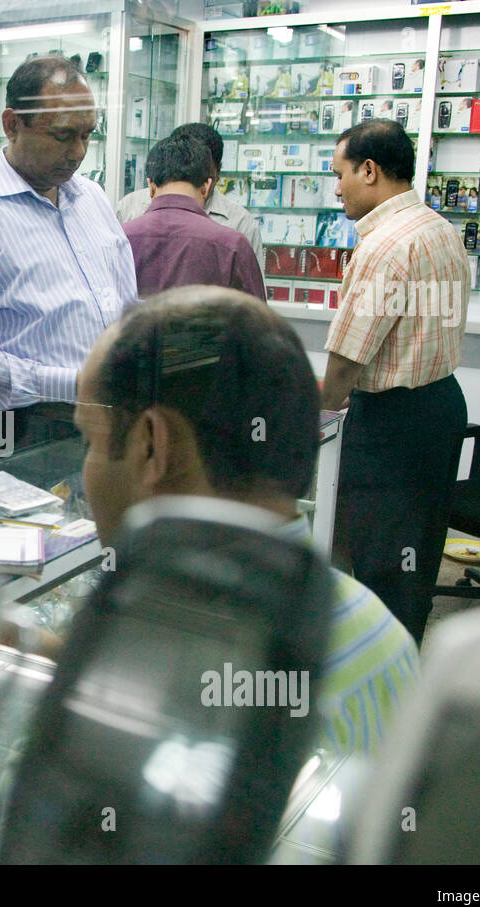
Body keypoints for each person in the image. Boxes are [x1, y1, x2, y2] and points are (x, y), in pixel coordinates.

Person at [77, 285, 420, 755]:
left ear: (152, 446)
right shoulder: (384, 637)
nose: (86, 470)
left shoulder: (158, 675)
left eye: (89, 439)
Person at [0, 54, 136, 466]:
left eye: (87, 135)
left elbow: (125, 304)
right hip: (19, 430)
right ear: (11, 124)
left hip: (107, 421)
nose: (78, 152)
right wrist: (70, 384)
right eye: (62, 136)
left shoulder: (91, 199)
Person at [321, 118, 469, 642]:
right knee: (418, 553)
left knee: (379, 556)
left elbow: (346, 360)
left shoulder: (385, 246)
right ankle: (406, 654)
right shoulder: (439, 229)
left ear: (369, 170)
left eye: (340, 175)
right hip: (442, 407)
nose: (336, 188)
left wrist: (313, 413)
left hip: (392, 422)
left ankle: (376, 675)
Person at [123, 135, 265, 299]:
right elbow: (256, 319)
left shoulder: (120, 237)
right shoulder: (232, 246)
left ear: (151, 186)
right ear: (206, 187)